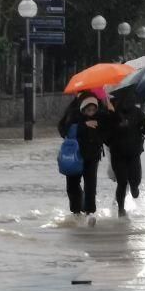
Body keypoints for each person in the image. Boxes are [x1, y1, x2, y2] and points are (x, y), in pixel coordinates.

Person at [58, 91, 112, 225]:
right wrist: (83, 125)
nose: (92, 112)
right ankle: (76, 212)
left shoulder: (102, 114)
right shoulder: (73, 112)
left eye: (94, 109)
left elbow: (109, 130)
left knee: (90, 185)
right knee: (72, 184)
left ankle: (89, 212)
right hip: (74, 155)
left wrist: (111, 112)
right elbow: (64, 130)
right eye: (89, 109)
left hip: (92, 155)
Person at [106, 96, 145, 217]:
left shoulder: (137, 112)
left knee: (135, 180)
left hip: (134, 153)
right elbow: (105, 134)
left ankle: (134, 188)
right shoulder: (111, 113)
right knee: (122, 182)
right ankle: (121, 209)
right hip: (117, 154)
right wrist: (117, 128)